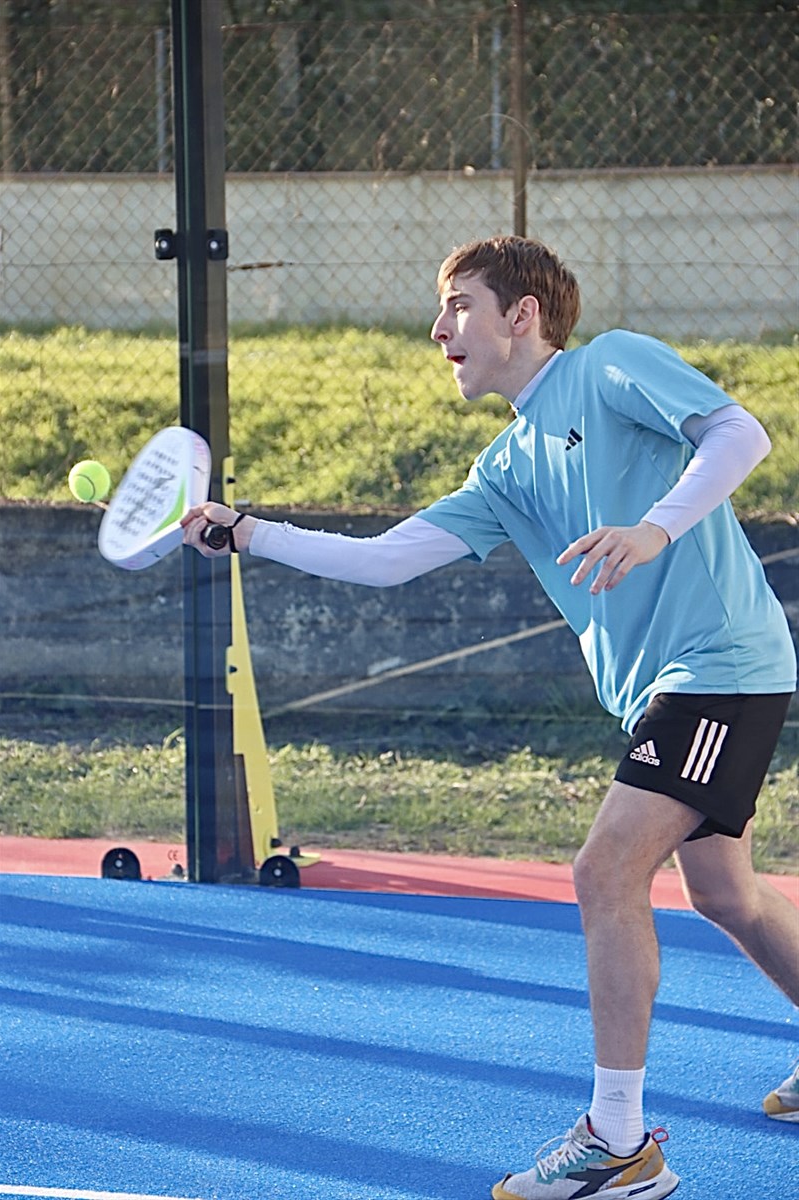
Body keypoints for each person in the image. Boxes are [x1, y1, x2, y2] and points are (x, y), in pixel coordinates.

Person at [182, 235, 798, 1199]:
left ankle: (620, 1145)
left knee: (605, 870)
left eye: (460, 306)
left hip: (719, 667)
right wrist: (247, 532)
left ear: (524, 316)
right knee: (725, 895)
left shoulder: (609, 364)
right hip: (667, 690)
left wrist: (653, 527)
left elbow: (740, 434)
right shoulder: (507, 466)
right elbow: (388, 560)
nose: (439, 330)